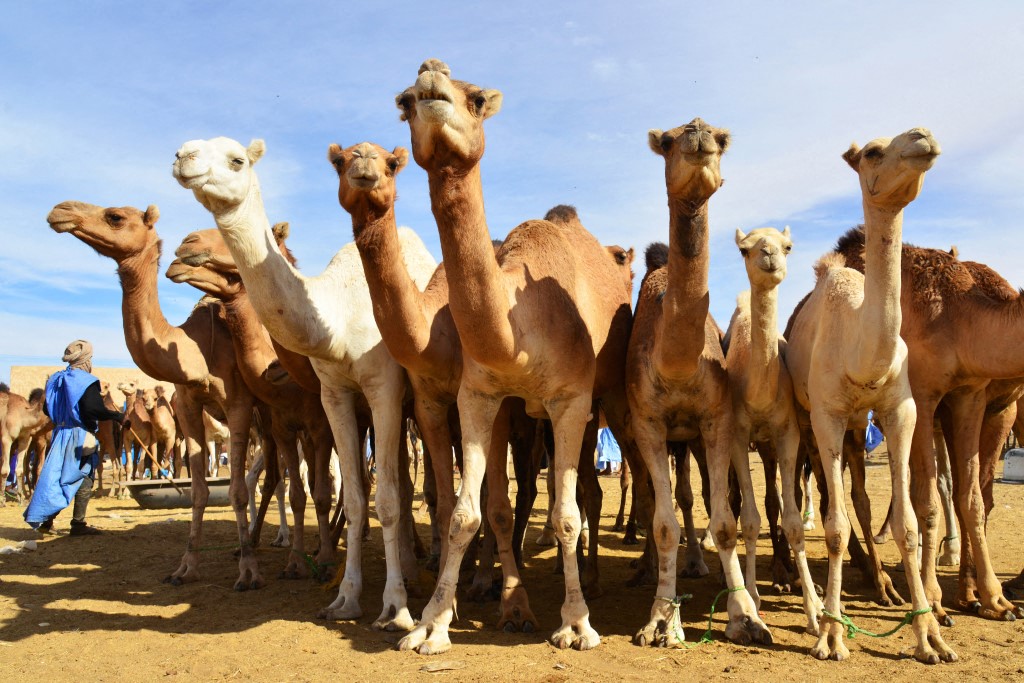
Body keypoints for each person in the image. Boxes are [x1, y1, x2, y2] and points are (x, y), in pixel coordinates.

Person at [24, 340, 128, 536]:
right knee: (85, 476)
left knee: (56, 477)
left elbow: (47, 408)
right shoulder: (85, 381)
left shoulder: (56, 380)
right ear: (86, 360)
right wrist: (118, 417)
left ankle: (46, 522)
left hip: (60, 434)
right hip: (79, 436)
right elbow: (93, 409)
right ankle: (78, 524)